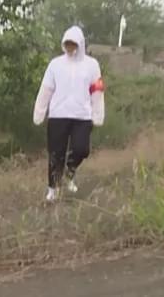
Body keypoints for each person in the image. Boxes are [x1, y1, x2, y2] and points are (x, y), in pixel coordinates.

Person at [33, 25, 105, 202]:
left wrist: (98, 113)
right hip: (58, 114)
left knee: (82, 149)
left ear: (80, 44)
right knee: (55, 153)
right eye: (67, 44)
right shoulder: (55, 64)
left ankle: (70, 170)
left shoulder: (92, 65)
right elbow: (46, 89)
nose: (70, 47)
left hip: (82, 115)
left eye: (73, 44)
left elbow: (97, 90)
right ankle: (53, 188)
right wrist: (40, 111)